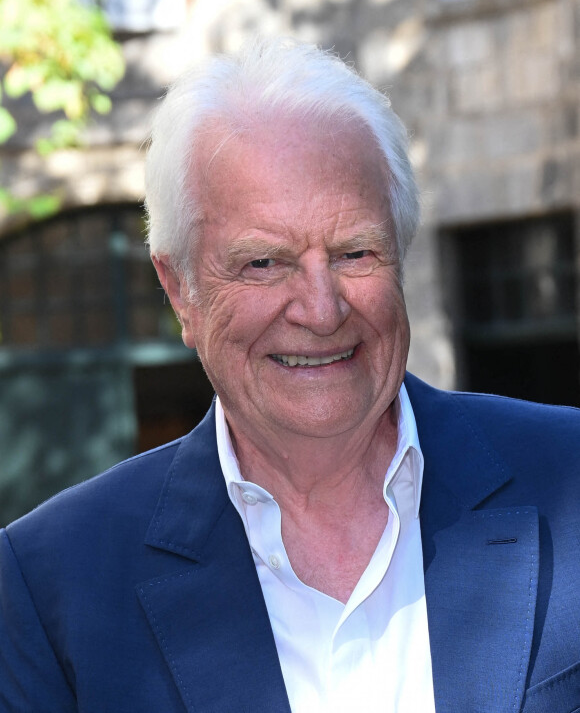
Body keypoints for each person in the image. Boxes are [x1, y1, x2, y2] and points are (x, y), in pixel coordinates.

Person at [1, 37, 579, 713]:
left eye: (354, 251)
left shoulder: (569, 477)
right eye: (263, 263)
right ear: (180, 289)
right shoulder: (51, 586)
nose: (321, 308)